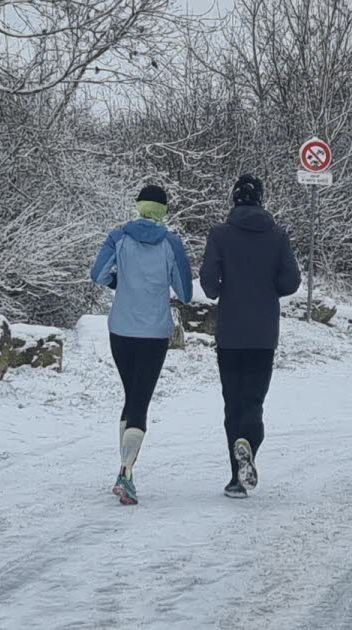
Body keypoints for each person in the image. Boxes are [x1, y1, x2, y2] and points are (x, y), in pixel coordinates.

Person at [199, 174, 302, 499]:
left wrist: (224, 284)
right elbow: (291, 282)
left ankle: (235, 478)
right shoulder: (277, 236)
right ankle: (249, 450)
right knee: (253, 402)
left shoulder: (219, 234)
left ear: (233, 198)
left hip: (229, 333)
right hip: (262, 333)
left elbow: (209, 285)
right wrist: (267, 286)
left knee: (232, 403)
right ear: (260, 199)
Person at [90, 184, 192, 505]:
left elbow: (98, 274)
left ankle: (124, 468)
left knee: (131, 397)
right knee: (139, 401)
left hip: (120, 330)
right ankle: (126, 474)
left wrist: (120, 282)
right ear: (163, 211)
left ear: (138, 206)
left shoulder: (118, 236)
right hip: (154, 333)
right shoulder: (172, 244)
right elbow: (186, 293)